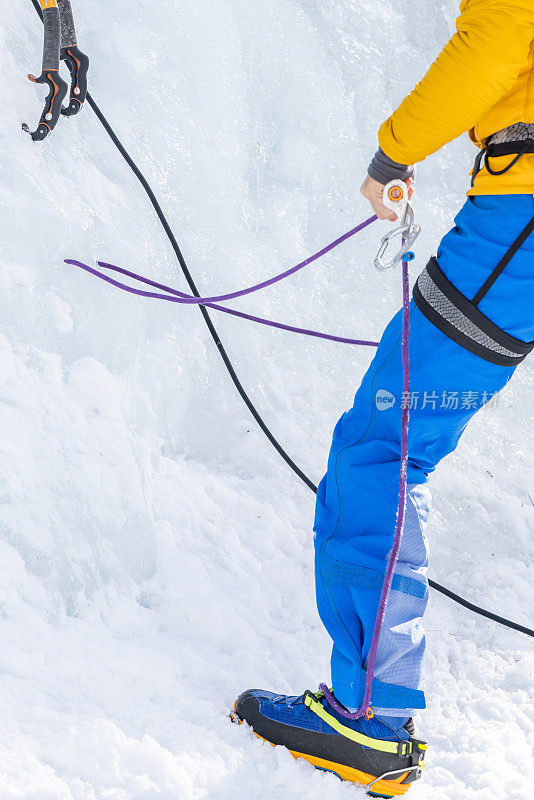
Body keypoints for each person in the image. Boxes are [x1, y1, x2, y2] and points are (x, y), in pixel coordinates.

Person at [233, 1, 534, 795]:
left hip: (525, 216)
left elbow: (498, 37)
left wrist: (394, 152)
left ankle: (371, 717)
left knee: (386, 442)